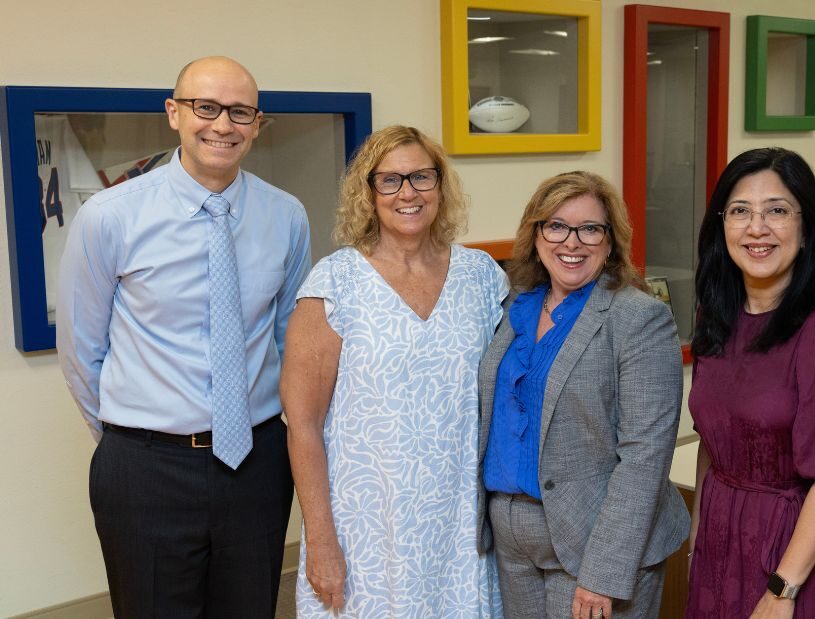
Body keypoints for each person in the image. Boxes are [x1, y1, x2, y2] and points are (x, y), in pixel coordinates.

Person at [57, 56, 310, 617]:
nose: (223, 124)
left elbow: (290, 341)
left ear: (258, 123)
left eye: (240, 112)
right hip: (146, 469)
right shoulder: (110, 216)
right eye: (206, 107)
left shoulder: (286, 216)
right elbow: (81, 351)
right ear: (174, 113)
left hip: (256, 464)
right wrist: (132, 441)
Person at [282, 125, 507, 617]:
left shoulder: (483, 277)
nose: (408, 192)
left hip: (460, 526)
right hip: (367, 531)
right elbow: (302, 426)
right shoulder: (334, 283)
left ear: (441, 186)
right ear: (369, 192)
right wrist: (320, 541)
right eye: (390, 180)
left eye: (422, 177)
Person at [685, 147, 815, 618]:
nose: (757, 228)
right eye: (740, 212)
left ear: (806, 228)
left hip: (793, 553)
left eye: (777, 210)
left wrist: (782, 590)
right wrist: (699, 540)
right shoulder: (716, 318)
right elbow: (714, 441)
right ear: (721, 227)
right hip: (719, 544)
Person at [478, 171, 690, 619]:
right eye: (555, 226)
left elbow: (644, 456)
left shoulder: (638, 319)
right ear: (535, 235)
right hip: (512, 540)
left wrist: (603, 573)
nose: (571, 242)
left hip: (593, 540)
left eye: (590, 228)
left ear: (611, 241)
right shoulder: (514, 304)